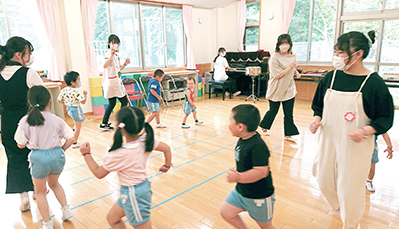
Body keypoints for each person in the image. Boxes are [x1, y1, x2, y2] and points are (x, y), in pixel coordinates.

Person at [309, 31, 394, 229]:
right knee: (323, 178)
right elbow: (318, 105)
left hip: (356, 146)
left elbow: (385, 117)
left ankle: (351, 223)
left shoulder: (374, 84)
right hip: (328, 140)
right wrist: (316, 119)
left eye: (341, 52)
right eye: (335, 51)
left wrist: (366, 130)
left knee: (350, 188)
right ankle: (340, 208)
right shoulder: (330, 78)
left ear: (357, 54)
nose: (336, 56)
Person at [79, 106, 172, 229]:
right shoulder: (145, 140)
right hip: (137, 190)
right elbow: (166, 148)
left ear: (121, 128)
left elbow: (99, 173)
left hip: (134, 194)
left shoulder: (118, 154)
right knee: (112, 219)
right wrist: (166, 165)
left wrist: (86, 154)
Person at [14, 86, 75, 229]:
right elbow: (71, 138)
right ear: (49, 101)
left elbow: (20, 144)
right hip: (57, 155)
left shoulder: (25, 120)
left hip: (38, 158)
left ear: (30, 102)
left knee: (40, 192)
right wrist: (61, 150)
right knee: (55, 184)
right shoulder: (57, 119)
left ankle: (47, 224)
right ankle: (66, 211)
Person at [0, 36, 44, 211]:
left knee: (15, 158)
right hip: (28, 121)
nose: (30, 57)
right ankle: (37, 191)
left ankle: (24, 197)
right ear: (19, 54)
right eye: (28, 53)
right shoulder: (28, 73)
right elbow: (43, 96)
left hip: (8, 122)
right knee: (35, 156)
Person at [220, 104, 275, 229]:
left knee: (266, 227)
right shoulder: (243, 138)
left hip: (259, 196)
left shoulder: (257, 146)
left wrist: (238, 177)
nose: (228, 124)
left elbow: (261, 171)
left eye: (230, 120)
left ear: (240, 127)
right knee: (226, 212)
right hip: (242, 191)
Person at [259, 34, 301, 142]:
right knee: (273, 110)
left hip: (289, 87)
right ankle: (263, 126)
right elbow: (277, 74)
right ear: (278, 45)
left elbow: (292, 65)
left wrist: (295, 71)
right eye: (282, 43)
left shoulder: (292, 55)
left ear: (290, 44)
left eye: (286, 43)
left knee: (288, 113)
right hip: (277, 87)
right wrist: (292, 67)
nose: (284, 45)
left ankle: (288, 134)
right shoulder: (274, 57)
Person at [100, 34, 130, 131]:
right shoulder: (108, 53)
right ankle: (122, 121)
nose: (115, 45)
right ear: (109, 43)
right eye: (113, 43)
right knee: (124, 101)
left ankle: (104, 123)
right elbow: (104, 65)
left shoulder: (115, 55)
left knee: (112, 103)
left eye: (117, 43)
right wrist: (111, 55)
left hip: (115, 81)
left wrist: (125, 64)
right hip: (112, 83)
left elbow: (118, 69)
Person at [57, 71, 87, 148]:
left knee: (81, 119)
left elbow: (59, 100)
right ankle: (74, 142)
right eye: (78, 80)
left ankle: (72, 133)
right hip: (76, 109)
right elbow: (83, 101)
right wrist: (85, 95)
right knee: (78, 126)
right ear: (72, 82)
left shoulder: (64, 90)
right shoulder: (75, 91)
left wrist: (67, 104)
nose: (80, 82)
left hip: (69, 109)